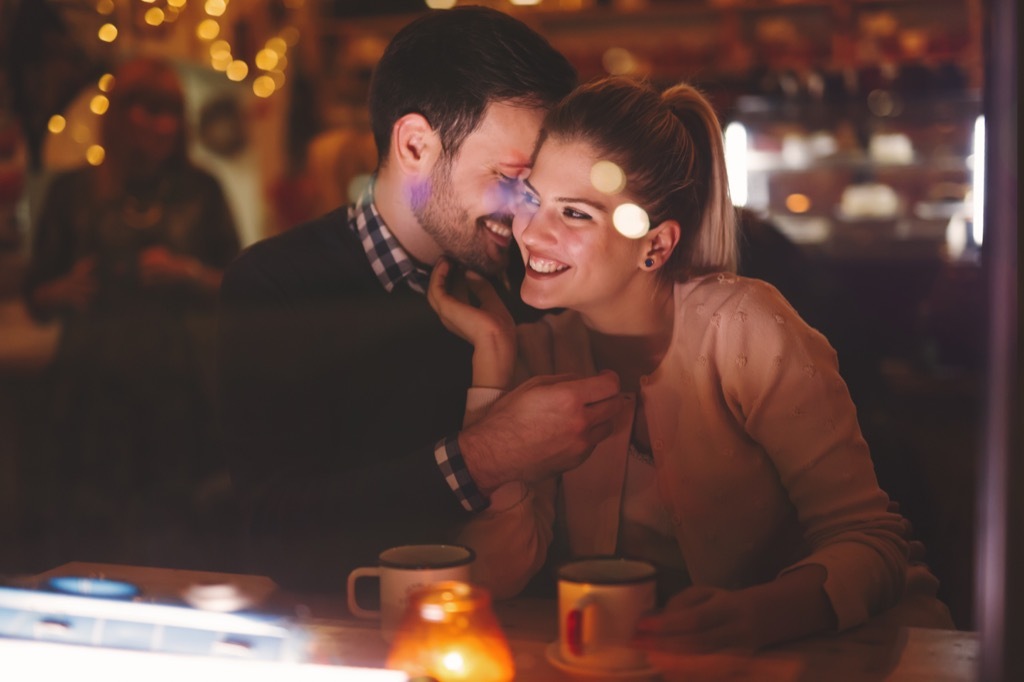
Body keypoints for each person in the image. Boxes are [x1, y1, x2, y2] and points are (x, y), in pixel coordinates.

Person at [428, 76, 953, 652]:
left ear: (655, 246)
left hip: (859, 653)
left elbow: (873, 543)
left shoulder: (744, 327)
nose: (532, 232)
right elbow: (493, 576)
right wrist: (493, 366)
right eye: (531, 199)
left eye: (576, 214)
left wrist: (756, 615)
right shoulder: (538, 355)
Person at [218, 7, 626, 592]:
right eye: (512, 180)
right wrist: (487, 455)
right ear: (415, 146)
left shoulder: (537, 283)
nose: (530, 217)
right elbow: (276, 528)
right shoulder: (277, 287)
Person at [21, 56, 240, 567]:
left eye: (171, 111)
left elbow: (241, 285)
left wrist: (187, 272)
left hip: (176, 384)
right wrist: (62, 290)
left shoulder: (200, 190)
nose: (163, 124)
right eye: (148, 109)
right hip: (92, 383)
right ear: (119, 114)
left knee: (174, 522)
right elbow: (37, 295)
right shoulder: (72, 192)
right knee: (90, 522)